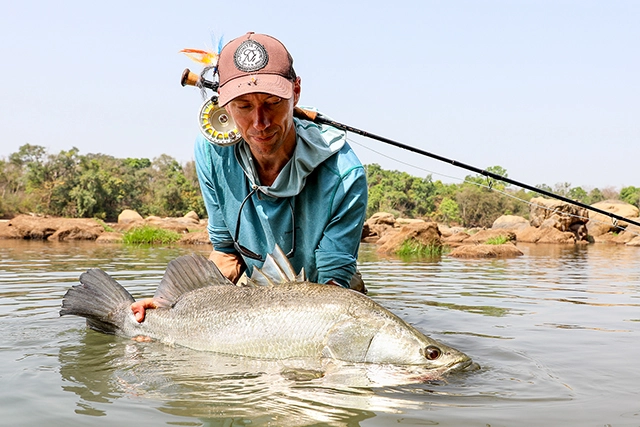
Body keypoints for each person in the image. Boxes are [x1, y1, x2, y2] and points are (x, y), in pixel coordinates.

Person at [131, 32, 368, 322]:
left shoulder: (345, 173)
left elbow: (334, 280)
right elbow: (227, 255)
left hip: (331, 297)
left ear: (296, 91)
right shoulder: (211, 153)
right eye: (244, 106)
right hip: (257, 290)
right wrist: (172, 307)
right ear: (223, 105)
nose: (260, 123)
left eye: (272, 102)